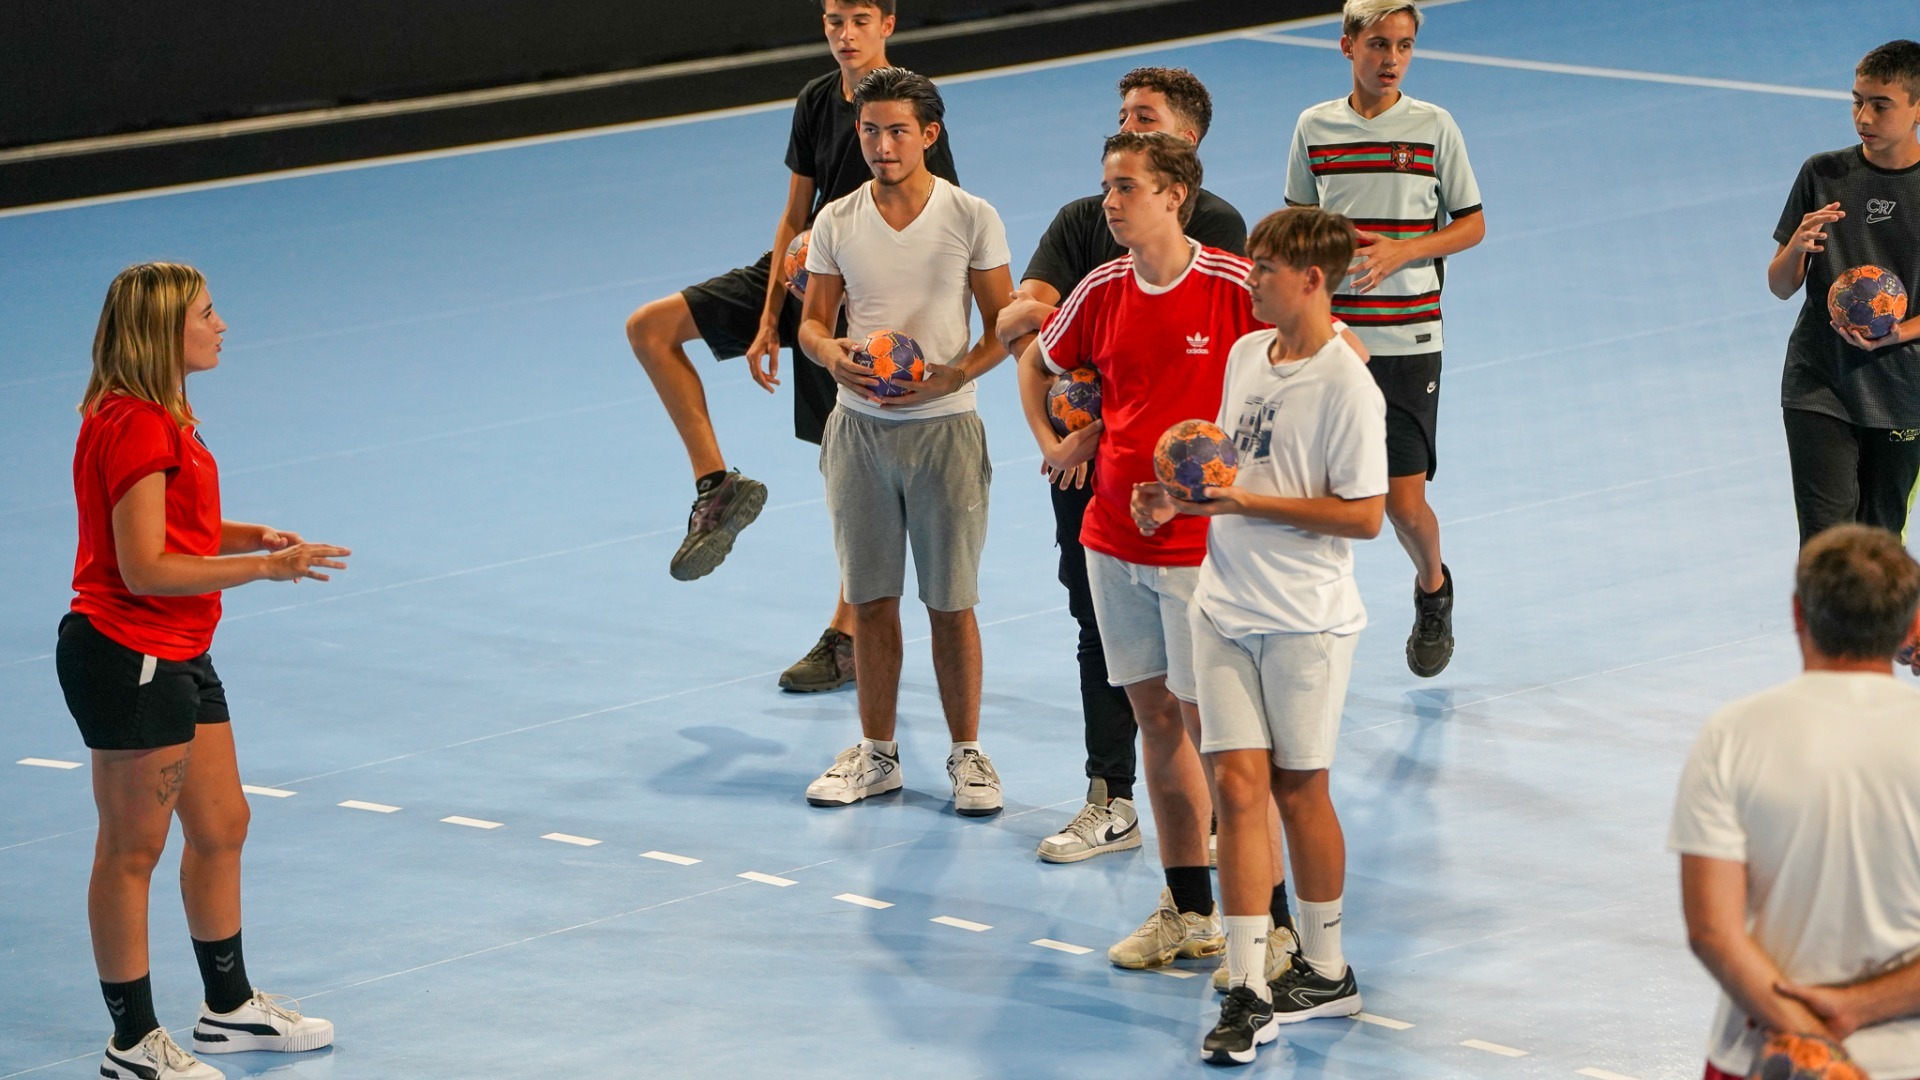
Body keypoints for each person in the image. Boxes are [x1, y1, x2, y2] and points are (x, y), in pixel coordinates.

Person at [58, 264, 347, 1080]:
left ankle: (227, 1010)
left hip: (178, 647)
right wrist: (264, 571)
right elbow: (144, 566)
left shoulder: (154, 413)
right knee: (132, 851)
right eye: (209, 314)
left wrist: (239, 532)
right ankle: (132, 1043)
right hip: (127, 654)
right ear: (163, 332)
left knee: (223, 826)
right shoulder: (139, 423)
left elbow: (164, 524)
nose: (223, 326)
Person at [622, 0, 959, 694]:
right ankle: (717, 487)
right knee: (649, 329)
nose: (845, 34)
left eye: (860, 19)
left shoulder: (907, 105)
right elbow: (792, 211)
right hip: (800, 275)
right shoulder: (813, 99)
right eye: (834, 19)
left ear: (888, 24)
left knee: (851, 473)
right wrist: (771, 312)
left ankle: (846, 636)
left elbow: (937, 214)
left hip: (862, 300)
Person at [1128, 208, 1387, 1064]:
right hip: (1224, 606)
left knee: (1299, 791)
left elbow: (1364, 516)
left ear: (1313, 280)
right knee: (1236, 789)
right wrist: (1179, 500)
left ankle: (1326, 968)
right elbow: (1233, 470)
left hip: (1306, 622)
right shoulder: (1246, 357)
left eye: (1268, 267)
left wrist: (1243, 504)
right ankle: (1246, 988)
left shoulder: (1349, 383)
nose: (1252, 277)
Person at [995, 66, 1248, 867]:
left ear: (1183, 158)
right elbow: (1028, 326)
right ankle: (1117, 805)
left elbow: (1230, 369)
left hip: (1192, 515)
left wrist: (1109, 419)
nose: (1111, 193)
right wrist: (1057, 438)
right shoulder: (1089, 236)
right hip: (1100, 498)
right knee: (1102, 643)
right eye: (1122, 120)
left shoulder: (1224, 243)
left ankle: (1249, 884)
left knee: (1207, 696)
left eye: (1145, 120)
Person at [795, 67, 1013, 816]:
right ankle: (878, 755)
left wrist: (952, 375)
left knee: (951, 604)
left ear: (930, 134)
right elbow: (814, 323)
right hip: (858, 434)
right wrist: (834, 355)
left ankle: (968, 755)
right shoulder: (836, 220)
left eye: (896, 131)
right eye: (869, 131)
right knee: (871, 600)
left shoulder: (971, 215)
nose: (881, 146)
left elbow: (1004, 326)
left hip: (945, 433)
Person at [1670, 523, 1920, 1080]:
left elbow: (1711, 931)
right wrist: (1857, 1009)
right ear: (1908, 628)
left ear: (1797, 614)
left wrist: (1810, 1039)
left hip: (1761, 1053)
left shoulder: (1732, 734)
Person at [1284, 0, 1484, 678]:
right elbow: (1298, 225)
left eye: (1402, 45)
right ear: (1347, 46)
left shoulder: (1434, 127)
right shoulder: (1314, 126)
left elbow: (1472, 224)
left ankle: (1433, 587)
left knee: (1402, 503)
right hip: (1331, 339)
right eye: (1377, 44)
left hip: (1407, 339)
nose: (1391, 58)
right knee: (1311, 494)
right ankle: (1301, 625)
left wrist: (1404, 251)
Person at [1767, 39, 1920, 548]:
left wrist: (1897, 333)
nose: (1863, 115)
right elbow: (1781, 286)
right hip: (1820, 382)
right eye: (1856, 100)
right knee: (1828, 545)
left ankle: (1898, 630)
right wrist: (1797, 245)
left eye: (1881, 104)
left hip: (1903, 393)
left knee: (1877, 545)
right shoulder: (1823, 174)